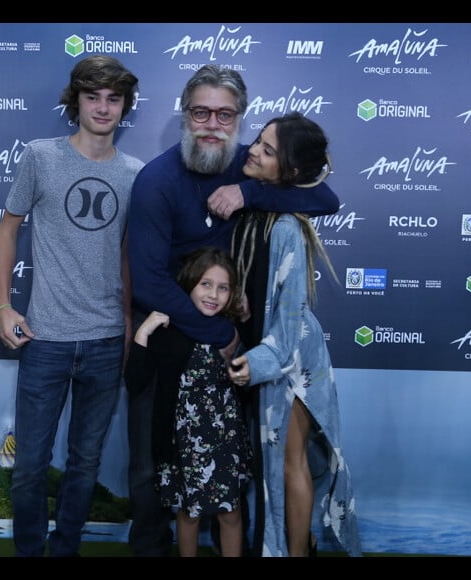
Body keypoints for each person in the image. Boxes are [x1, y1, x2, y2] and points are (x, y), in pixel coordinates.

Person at [126, 64, 341, 557]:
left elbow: (325, 197)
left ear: (239, 119)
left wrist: (249, 191)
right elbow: (151, 280)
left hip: (239, 340)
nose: (212, 125)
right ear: (185, 114)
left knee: (237, 456)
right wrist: (217, 335)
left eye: (225, 115)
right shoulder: (156, 180)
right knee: (154, 457)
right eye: (201, 112)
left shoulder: (245, 163)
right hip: (176, 335)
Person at [0, 55, 143, 557]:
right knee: (31, 465)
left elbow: (125, 253)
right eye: (93, 96)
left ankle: (66, 550)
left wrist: (125, 325)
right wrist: (3, 306)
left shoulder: (134, 174)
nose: (103, 107)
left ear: (125, 107)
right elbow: (9, 226)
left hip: (104, 342)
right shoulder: (40, 156)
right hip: (44, 339)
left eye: (113, 98)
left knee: (84, 464)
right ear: (75, 101)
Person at [227, 112, 362, 557]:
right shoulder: (255, 208)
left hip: (294, 364)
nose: (253, 151)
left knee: (289, 463)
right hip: (267, 354)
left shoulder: (286, 226)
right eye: (258, 142)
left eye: (268, 151)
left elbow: (288, 321)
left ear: (289, 172)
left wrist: (261, 361)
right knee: (274, 464)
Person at [124, 247, 252, 557]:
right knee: (189, 512)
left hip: (225, 440)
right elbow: (135, 381)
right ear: (190, 285)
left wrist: (245, 375)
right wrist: (144, 330)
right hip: (182, 442)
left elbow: (250, 380)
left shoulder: (232, 333)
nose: (213, 294)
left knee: (230, 512)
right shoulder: (170, 333)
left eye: (223, 288)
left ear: (232, 294)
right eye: (205, 284)